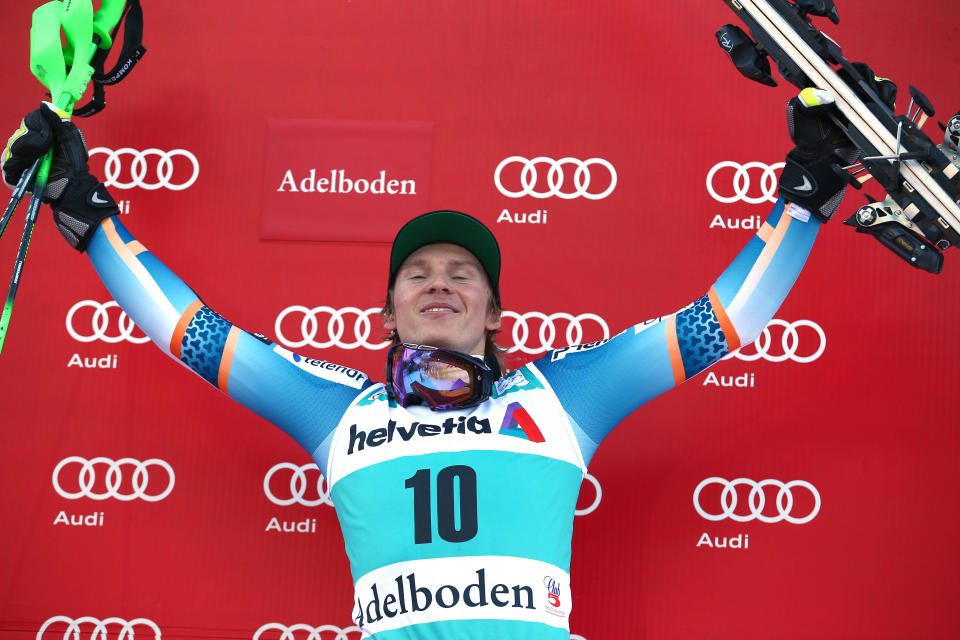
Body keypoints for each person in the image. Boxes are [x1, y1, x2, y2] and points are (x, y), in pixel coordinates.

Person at [2, 77, 893, 638]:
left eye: (462, 272)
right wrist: (86, 212)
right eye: (417, 273)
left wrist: (805, 197)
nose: (439, 283)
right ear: (387, 309)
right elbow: (193, 334)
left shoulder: (564, 395)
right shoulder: (341, 410)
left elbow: (719, 322)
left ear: (494, 307)